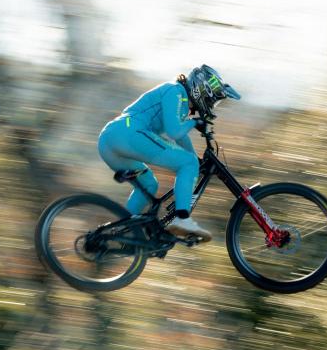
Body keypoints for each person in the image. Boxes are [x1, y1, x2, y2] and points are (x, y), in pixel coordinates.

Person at [97, 64, 241, 242]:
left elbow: (180, 137)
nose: (212, 105)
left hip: (110, 142)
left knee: (149, 184)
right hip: (128, 133)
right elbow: (175, 132)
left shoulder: (179, 100)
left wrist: (195, 159)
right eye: (212, 100)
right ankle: (182, 219)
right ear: (202, 90)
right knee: (187, 163)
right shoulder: (175, 91)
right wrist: (194, 125)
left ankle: (122, 232)